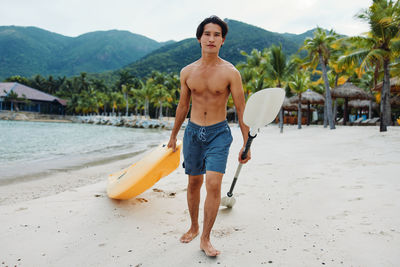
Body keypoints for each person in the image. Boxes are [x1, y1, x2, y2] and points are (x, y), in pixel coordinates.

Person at [167, 15, 250, 257]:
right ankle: (193, 226)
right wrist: (173, 136)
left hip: (218, 134)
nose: (211, 39)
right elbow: (183, 106)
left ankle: (205, 238)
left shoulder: (231, 73)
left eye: (216, 35)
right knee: (194, 182)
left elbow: (242, 109)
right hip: (192, 133)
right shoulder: (187, 72)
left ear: (222, 40)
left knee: (213, 184)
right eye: (207, 34)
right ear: (199, 38)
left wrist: (247, 143)